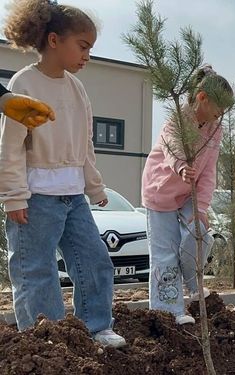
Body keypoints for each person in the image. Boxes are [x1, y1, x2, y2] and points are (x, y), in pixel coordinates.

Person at [0, 0, 125, 348]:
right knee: (36, 271)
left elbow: (84, 143)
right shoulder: (24, 83)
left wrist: (94, 186)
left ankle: (97, 328)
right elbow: (9, 148)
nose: (87, 56)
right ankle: (47, 341)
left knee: (95, 261)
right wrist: (13, 196)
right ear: (54, 41)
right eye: (82, 46)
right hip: (36, 197)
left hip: (74, 198)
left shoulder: (77, 88)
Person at [142, 64, 232, 325]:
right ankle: (168, 312)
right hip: (161, 193)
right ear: (202, 98)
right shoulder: (177, 120)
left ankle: (193, 285)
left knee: (201, 235)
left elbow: (209, 170)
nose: (222, 114)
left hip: (188, 195)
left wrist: (201, 207)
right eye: (219, 108)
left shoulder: (215, 129)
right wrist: (181, 167)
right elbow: (171, 148)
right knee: (164, 254)